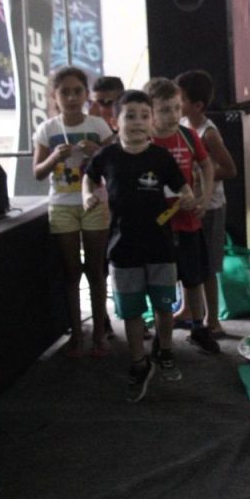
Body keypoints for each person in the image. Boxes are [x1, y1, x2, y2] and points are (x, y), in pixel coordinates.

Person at [83, 90, 195, 401]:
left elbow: (181, 185)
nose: (137, 122)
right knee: (131, 311)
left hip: (160, 247)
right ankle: (138, 362)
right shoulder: (106, 156)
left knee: (164, 306)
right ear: (114, 121)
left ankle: (165, 351)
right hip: (123, 249)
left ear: (152, 121)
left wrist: (187, 196)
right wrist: (88, 195)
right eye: (130, 116)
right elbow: (89, 177)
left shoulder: (161, 157)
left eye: (144, 116)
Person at [32, 66, 115, 358]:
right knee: (71, 272)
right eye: (64, 92)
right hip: (62, 206)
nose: (71, 97)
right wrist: (55, 156)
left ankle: (100, 336)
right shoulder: (47, 129)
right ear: (54, 96)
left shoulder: (98, 125)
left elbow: (116, 164)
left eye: (77, 91)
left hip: (95, 203)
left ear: (85, 94)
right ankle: (77, 336)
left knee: (96, 270)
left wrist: (97, 151)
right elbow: (38, 173)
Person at [144, 77, 220, 355]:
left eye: (177, 108)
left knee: (193, 276)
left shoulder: (188, 136)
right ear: (150, 111)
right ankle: (161, 332)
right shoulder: (144, 140)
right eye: (165, 110)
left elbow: (206, 166)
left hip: (187, 221)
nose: (174, 115)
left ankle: (199, 327)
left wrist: (204, 197)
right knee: (159, 280)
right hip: (155, 226)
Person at [176, 69, 238, 337]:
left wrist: (203, 175)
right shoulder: (181, 126)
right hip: (189, 205)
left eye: (180, 100)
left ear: (198, 105)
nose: (176, 105)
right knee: (188, 260)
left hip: (210, 206)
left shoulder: (208, 133)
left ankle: (213, 319)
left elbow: (230, 169)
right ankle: (187, 309)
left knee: (208, 265)